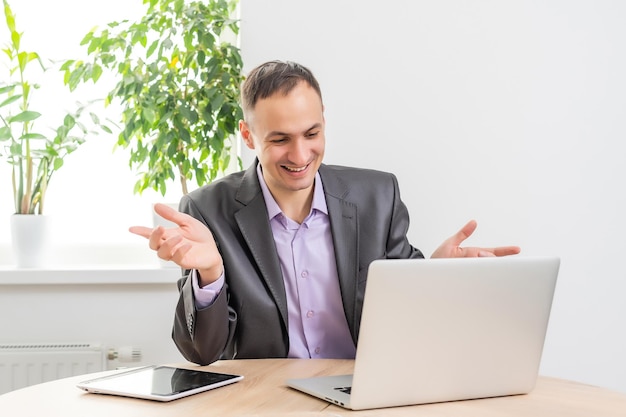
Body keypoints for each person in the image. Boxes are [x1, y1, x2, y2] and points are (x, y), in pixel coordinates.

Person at [130, 60, 520, 365]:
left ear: (324, 123)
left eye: (311, 134)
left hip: (363, 391)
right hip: (267, 401)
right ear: (249, 136)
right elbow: (202, 353)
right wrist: (211, 273)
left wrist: (435, 275)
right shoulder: (206, 211)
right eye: (280, 139)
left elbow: (410, 319)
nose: (300, 156)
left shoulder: (377, 196)